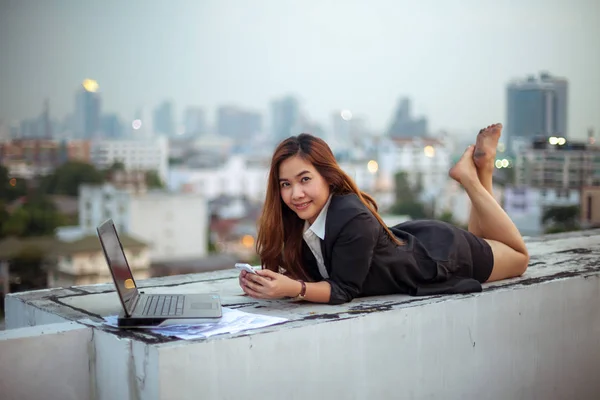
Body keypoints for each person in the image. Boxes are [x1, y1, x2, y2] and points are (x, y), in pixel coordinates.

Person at [239, 124, 529, 305]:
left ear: (328, 177)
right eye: (285, 185)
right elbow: (324, 272)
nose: (295, 194)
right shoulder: (300, 222)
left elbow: (343, 290)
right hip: (420, 243)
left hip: (443, 259)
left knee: (518, 257)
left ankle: (469, 178)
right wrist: (264, 283)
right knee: (484, 238)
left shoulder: (353, 217)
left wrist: (294, 289)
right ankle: (484, 166)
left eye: (305, 180)